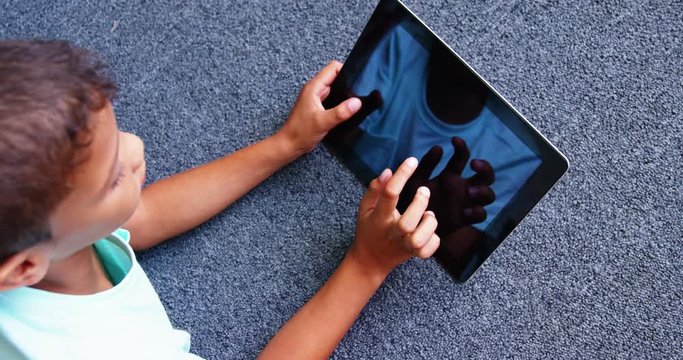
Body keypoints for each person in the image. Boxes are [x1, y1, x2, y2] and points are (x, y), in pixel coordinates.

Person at [0, 40, 441, 359]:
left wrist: (285, 143)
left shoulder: (50, 233)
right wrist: (367, 265)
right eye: (114, 177)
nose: (136, 150)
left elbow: (140, 217)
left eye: (119, 135)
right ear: (23, 268)